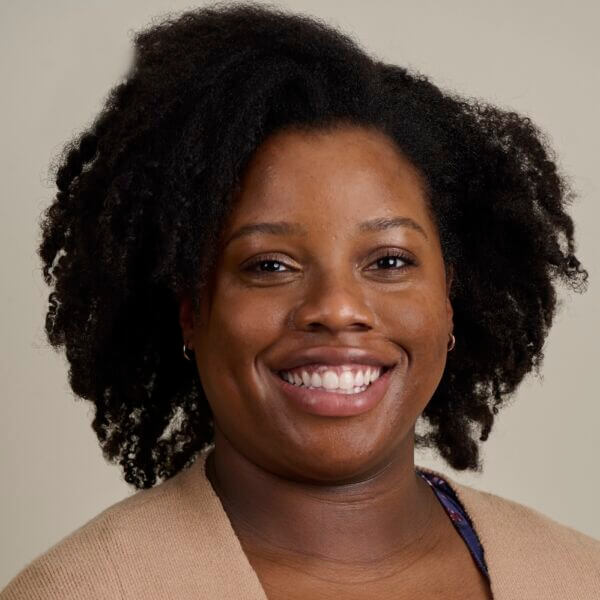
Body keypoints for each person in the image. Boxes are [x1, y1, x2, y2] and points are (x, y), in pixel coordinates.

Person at [2, 3, 598, 599]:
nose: (337, 308)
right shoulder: (81, 590)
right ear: (191, 311)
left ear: (449, 301)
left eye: (390, 261)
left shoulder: (579, 576)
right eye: (269, 265)